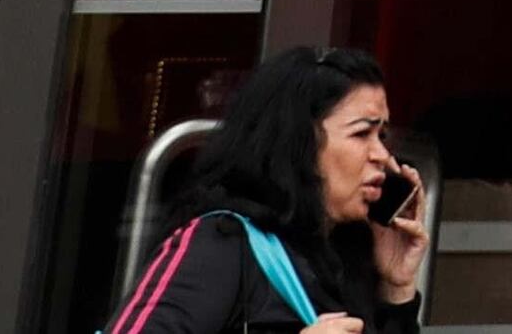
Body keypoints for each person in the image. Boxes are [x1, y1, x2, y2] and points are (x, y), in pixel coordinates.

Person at [107, 45, 429, 334]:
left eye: (382, 136)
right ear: (300, 143)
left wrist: (396, 289)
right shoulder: (223, 244)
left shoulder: (347, 256)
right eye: (362, 134)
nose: (382, 156)